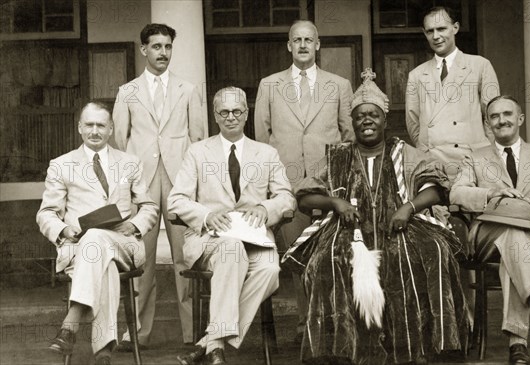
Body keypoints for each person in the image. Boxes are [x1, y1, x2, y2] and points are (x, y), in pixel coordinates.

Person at [284, 69, 469, 365]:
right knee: (327, 259)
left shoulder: (404, 152)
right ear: (353, 122)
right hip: (349, 229)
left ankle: (429, 346)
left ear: (385, 120)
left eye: (373, 115)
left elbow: (435, 188)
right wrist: (336, 202)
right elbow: (305, 194)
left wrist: (409, 207)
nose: (366, 120)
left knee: (430, 251)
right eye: (359, 116)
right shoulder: (338, 155)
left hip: (399, 226)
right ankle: (335, 351)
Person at [169, 87, 296, 365]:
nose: (230, 117)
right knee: (231, 249)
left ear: (246, 114)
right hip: (211, 239)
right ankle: (216, 346)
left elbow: (287, 198)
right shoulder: (197, 152)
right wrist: (205, 215)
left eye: (237, 111)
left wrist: (265, 208)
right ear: (215, 115)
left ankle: (211, 342)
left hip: (255, 238)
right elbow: (176, 200)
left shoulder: (266, 153)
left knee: (271, 270)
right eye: (224, 112)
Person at [450, 95, 530, 365]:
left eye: (507, 114)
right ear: (488, 124)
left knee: (516, 243)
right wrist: (492, 193)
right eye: (494, 116)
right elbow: (457, 192)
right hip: (488, 237)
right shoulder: (474, 157)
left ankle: (518, 344)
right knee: (514, 238)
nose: (501, 120)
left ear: (520, 119)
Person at [254, 19, 354, 340]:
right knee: (297, 254)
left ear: (318, 44)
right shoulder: (269, 85)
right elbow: (261, 137)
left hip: (327, 185)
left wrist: (333, 176)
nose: (302, 45)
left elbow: (348, 136)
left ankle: (333, 320)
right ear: (288, 46)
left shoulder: (338, 85)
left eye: (308, 40)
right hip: (287, 185)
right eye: (296, 40)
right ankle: (305, 322)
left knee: (329, 253)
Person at [37, 102, 159, 365]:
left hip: (124, 244)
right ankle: (103, 353)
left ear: (111, 128)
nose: (95, 130)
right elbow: (46, 214)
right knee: (104, 263)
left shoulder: (130, 163)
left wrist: (135, 224)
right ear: (80, 127)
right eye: (89, 124)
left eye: (101, 125)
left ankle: (71, 322)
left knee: (95, 238)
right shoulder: (61, 165)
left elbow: (149, 206)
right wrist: (64, 229)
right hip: (80, 248)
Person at [112, 23, 208, 348]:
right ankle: (137, 333)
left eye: (167, 46)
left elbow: (199, 140)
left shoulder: (188, 89)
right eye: (156, 47)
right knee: (142, 256)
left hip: (180, 182)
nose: (163, 53)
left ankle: (192, 332)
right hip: (143, 184)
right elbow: (119, 142)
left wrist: (197, 187)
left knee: (186, 255)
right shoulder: (127, 92)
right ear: (144, 50)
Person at [406, 6, 500, 180]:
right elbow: (413, 122)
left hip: (471, 159)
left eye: (441, 29)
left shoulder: (480, 66)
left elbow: (492, 115)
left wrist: (486, 151)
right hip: (432, 161)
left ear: (455, 28)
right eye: (430, 31)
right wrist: (425, 149)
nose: (436, 36)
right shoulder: (416, 75)